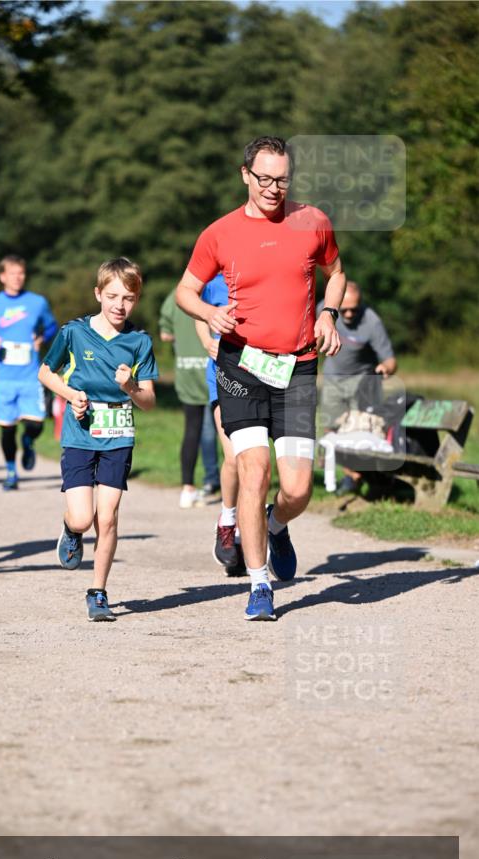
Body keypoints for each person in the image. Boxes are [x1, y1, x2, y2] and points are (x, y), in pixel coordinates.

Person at [177, 135, 345, 622]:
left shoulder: (313, 221)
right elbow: (186, 290)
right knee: (254, 471)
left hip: (298, 367)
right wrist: (208, 313)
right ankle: (258, 584)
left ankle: (275, 524)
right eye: (265, 178)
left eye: (282, 180)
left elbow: (336, 273)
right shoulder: (219, 233)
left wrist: (328, 313)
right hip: (241, 366)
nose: (274, 188)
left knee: (298, 489)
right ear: (245, 175)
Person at [38, 257, 157, 622]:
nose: (120, 305)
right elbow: (46, 372)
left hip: (119, 436)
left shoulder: (139, 341)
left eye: (128, 298)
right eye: (112, 296)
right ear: (98, 294)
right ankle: (70, 529)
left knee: (107, 518)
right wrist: (71, 395)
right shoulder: (74, 332)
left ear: (136, 300)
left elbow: (149, 401)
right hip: (80, 433)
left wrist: (130, 386)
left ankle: (98, 592)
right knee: (82, 518)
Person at [0, 255, 58, 489]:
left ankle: (28, 441)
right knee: (7, 428)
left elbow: (52, 326)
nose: (17, 278)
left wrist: (42, 338)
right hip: (2, 377)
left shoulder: (37, 302)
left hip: (30, 375)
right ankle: (11, 472)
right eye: (12, 273)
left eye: (21, 273)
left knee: (36, 424)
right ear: (2, 276)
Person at [318, 280, 397, 495]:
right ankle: (346, 475)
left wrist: (385, 368)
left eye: (354, 309)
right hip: (333, 379)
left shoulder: (372, 321)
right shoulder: (325, 308)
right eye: (344, 310)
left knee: (356, 432)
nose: (349, 314)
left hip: (362, 383)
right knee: (332, 429)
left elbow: (390, 359)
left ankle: (354, 477)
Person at [194, 273, 245, 576]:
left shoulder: (268, 271)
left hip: (264, 373)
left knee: (257, 463)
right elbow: (198, 311)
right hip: (223, 373)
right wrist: (206, 342)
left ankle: (251, 534)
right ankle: (227, 521)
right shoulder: (215, 281)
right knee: (235, 457)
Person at [158, 288, 219, 508]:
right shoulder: (215, 290)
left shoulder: (175, 295)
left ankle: (187, 488)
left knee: (192, 429)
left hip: (186, 372)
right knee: (218, 430)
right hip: (213, 368)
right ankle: (215, 480)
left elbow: (165, 335)